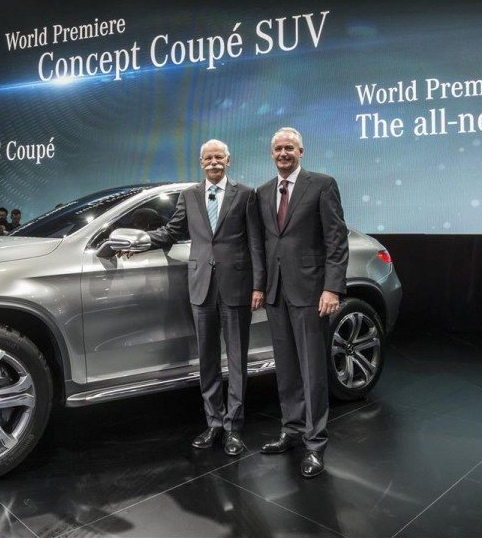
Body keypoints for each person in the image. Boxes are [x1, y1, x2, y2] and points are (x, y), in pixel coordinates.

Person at [135, 139, 264, 456]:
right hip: (201, 286)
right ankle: (214, 423)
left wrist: (258, 285)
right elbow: (172, 231)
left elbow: (256, 242)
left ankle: (234, 427)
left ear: (228, 160)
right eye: (208, 158)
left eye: (219, 157)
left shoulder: (246, 194)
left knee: (237, 360)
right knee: (207, 359)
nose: (214, 162)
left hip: (236, 285)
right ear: (201, 162)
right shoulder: (190, 195)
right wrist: (141, 241)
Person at [256, 127, 348, 478]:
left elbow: (336, 240)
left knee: (312, 371)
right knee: (287, 369)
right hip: (277, 293)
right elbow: (265, 244)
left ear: (301, 152)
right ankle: (291, 430)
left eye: (289, 148)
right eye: (278, 148)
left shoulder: (321, 185)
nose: (283, 153)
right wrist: (261, 286)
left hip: (311, 292)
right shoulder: (264, 192)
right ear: (272, 153)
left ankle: (315, 443)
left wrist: (332, 288)